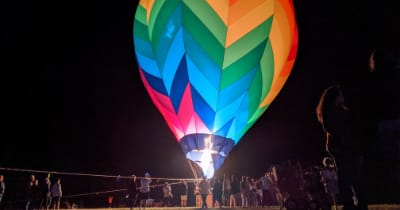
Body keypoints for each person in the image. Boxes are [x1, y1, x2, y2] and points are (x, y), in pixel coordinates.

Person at [316, 85, 367, 210]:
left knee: (346, 174)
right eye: (340, 95)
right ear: (335, 98)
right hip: (341, 147)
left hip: (340, 146)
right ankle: (353, 202)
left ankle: (353, 202)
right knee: (349, 174)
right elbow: (334, 128)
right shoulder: (334, 113)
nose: (342, 97)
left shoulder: (333, 112)